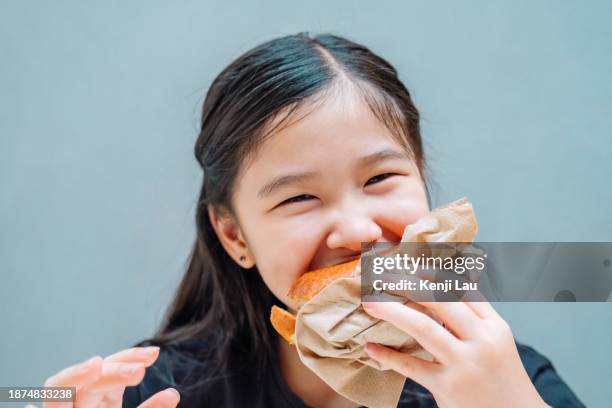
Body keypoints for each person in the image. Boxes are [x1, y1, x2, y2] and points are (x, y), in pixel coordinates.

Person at [41, 33, 585, 408]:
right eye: (299, 198)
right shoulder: (160, 387)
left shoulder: (509, 379)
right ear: (234, 236)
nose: (357, 232)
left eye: (379, 180)